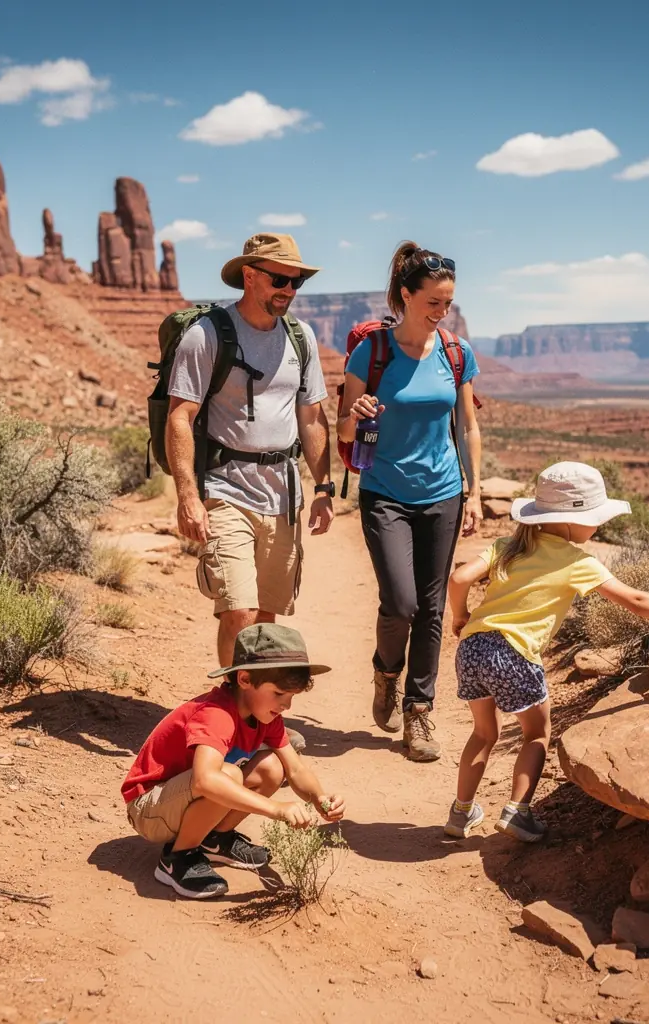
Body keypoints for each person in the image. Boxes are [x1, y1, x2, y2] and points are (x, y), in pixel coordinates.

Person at [444, 461, 649, 841]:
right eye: (594, 518)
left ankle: (460, 814)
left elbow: (458, 578)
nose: (599, 526)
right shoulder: (576, 562)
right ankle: (517, 812)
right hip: (514, 653)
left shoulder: (507, 546)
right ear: (570, 521)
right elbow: (635, 600)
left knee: (484, 733)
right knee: (536, 734)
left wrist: (460, 616)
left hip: (473, 648)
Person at [166, 233, 335, 750]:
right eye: (280, 278)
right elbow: (180, 415)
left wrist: (324, 486)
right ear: (249, 275)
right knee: (237, 610)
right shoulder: (206, 335)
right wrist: (188, 496)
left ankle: (258, 723)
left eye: (296, 281)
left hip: (282, 496)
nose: (290, 288)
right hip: (225, 489)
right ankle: (226, 724)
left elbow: (311, 418)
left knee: (267, 616)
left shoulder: (301, 338)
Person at [337, 241, 483, 762]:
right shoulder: (371, 352)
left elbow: (467, 425)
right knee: (400, 603)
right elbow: (345, 427)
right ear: (406, 294)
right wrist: (356, 410)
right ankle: (385, 672)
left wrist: (475, 490)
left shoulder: (455, 352)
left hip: (443, 491)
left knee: (432, 607)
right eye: (433, 303)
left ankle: (419, 714)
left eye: (448, 303)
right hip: (386, 493)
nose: (442, 313)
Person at [121, 624, 345, 899]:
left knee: (272, 767)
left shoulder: (267, 717)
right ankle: (177, 858)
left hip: (180, 798)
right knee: (225, 776)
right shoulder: (216, 714)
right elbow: (205, 780)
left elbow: (295, 769)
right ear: (244, 679)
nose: (286, 705)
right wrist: (277, 809)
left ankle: (213, 839)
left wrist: (319, 799)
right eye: (278, 694)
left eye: (291, 697)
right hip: (149, 808)